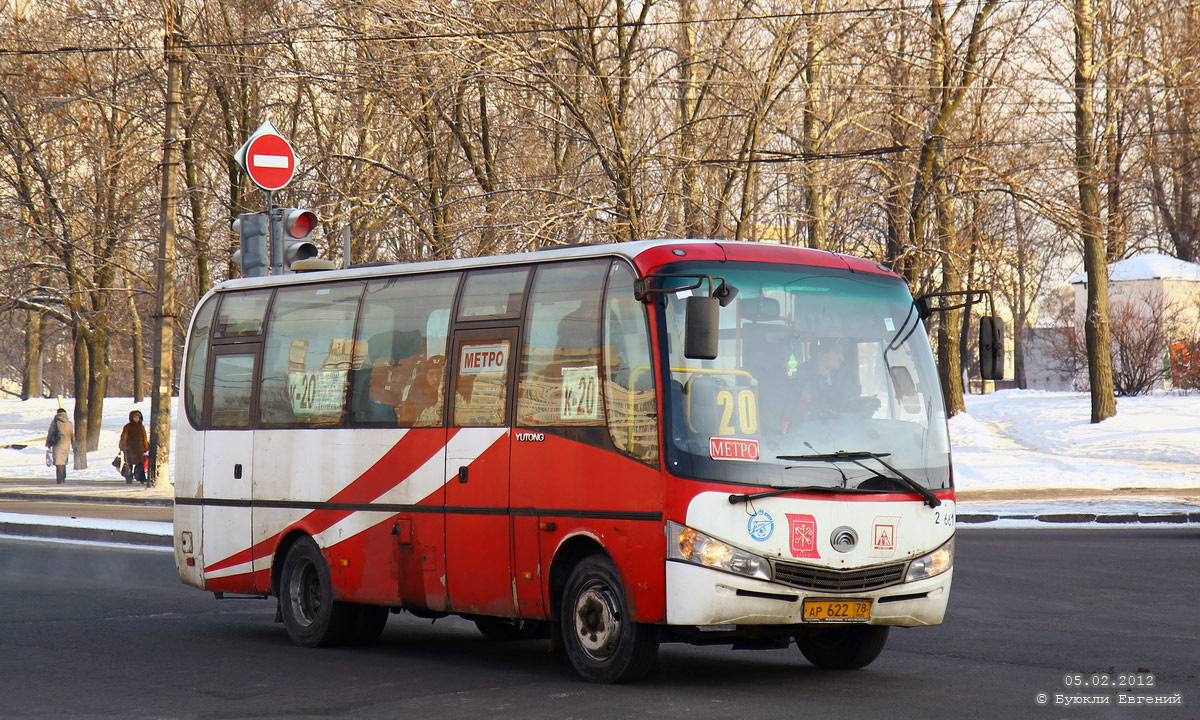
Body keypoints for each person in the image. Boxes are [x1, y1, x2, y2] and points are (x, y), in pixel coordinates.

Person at [119, 410, 149, 485]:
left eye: (138, 417)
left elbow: (144, 438)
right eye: (135, 417)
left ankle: (141, 478)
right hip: (130, 449)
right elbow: (124, 437)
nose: (136, 419)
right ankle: (129, 478)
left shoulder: (141, 427)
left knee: (140, 464)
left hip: (139, 450)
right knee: (129, 464)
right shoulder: (128, 427)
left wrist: (146, 447)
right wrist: (123, 446)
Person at [45, 408, 74, 484]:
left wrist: (48, 443)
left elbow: (51, 432)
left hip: (58, 443)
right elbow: (72, 434)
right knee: (63, 461)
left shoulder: (55, 422)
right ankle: (63, 477)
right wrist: (73, 444)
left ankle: (59, 479)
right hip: (67, 444)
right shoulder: (69, 423)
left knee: (58, 462)